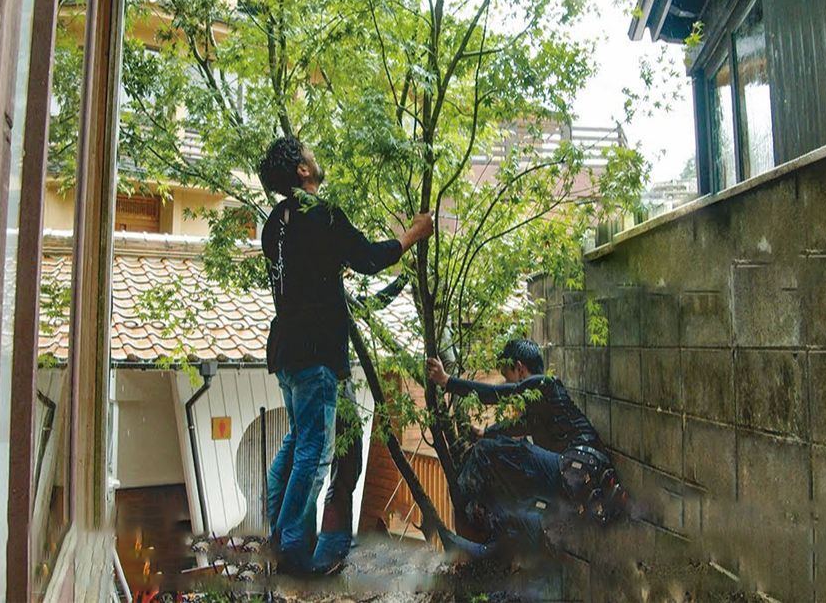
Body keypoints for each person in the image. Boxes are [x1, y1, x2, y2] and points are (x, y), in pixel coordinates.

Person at [258, 136, 432, 575]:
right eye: (309, 153)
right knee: (314, 454)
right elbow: (369, 258)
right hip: (316, 352)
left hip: (286, 350)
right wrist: (413, 234)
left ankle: (278, 532)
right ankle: (292, 550)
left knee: (296, 442)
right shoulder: (321, 213)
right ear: (301, 170)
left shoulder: (273, 223)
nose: (316, 158)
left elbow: (307, 275)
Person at [425, 338, 627, 558]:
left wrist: (447, 381)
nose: (507, 382)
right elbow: (518, 425)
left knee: (486, 451)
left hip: (583, 468)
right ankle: (493, 549)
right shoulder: (541, 409)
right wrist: (486, 432)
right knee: (518, 508)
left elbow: (497, 395)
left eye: (507, 376)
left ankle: (471, 522)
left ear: (520, 368)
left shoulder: (545, 385)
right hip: (572, 484)